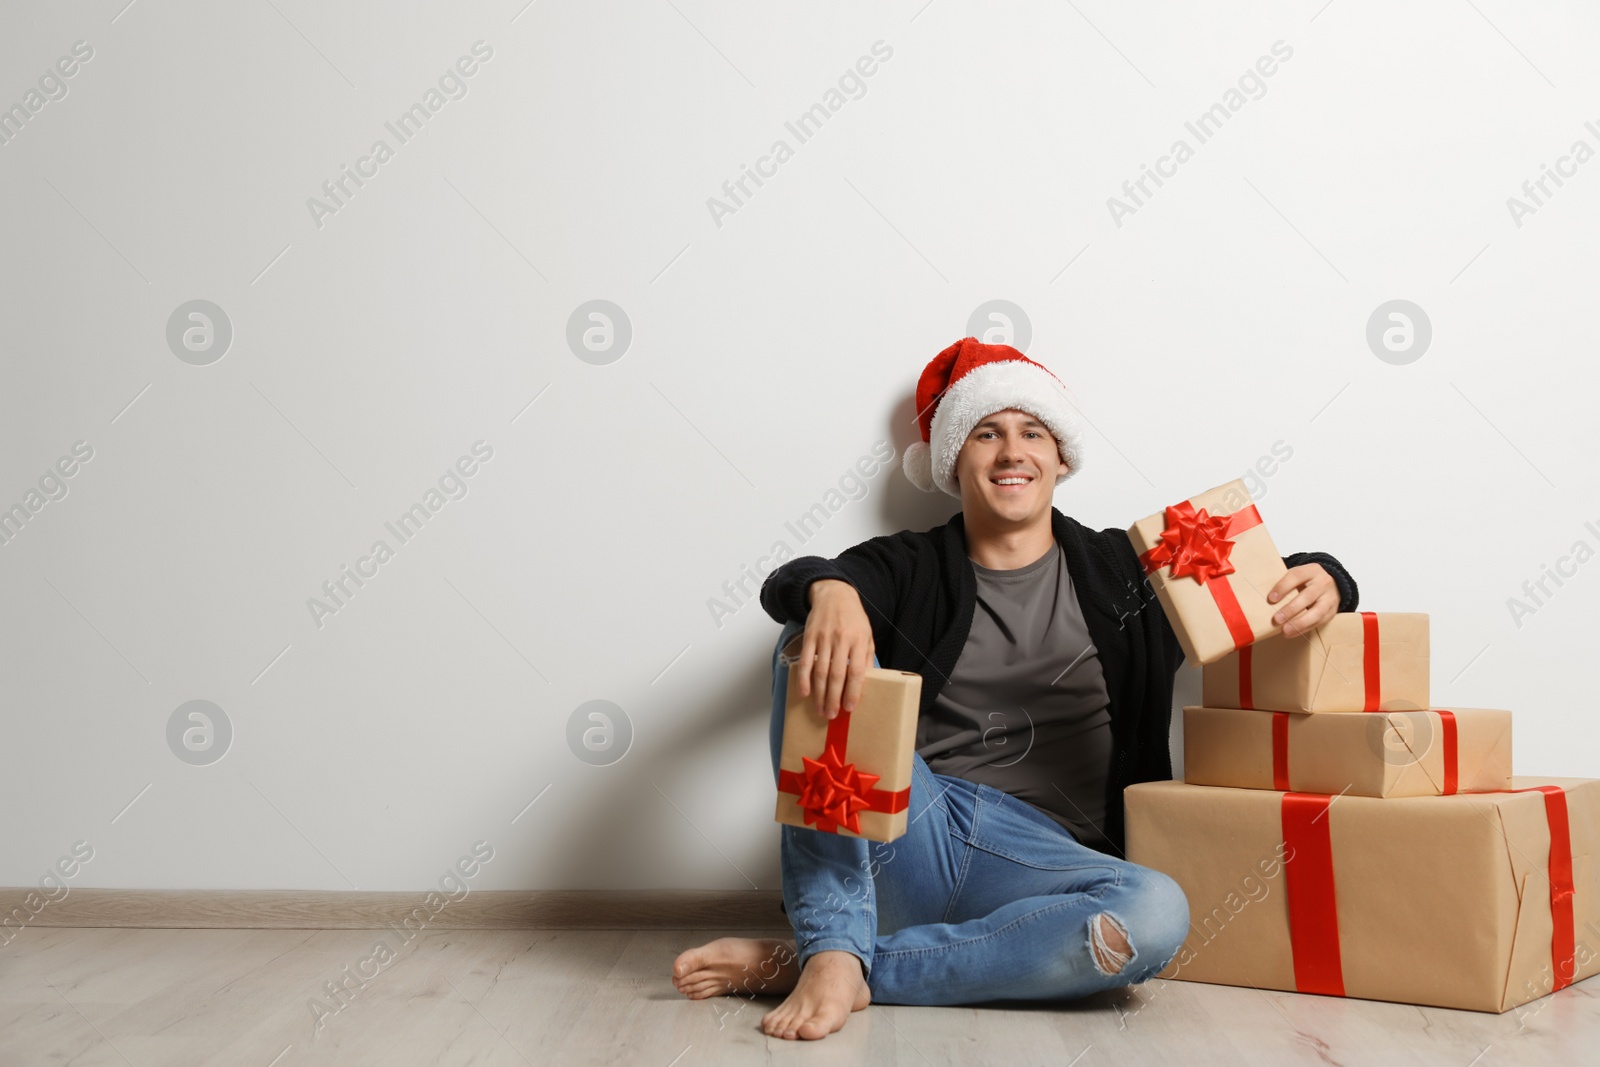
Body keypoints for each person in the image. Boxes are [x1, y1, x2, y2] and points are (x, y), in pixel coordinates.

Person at [671, 338, 1359, 1040]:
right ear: (952, 460)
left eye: (1033, 431)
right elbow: (795, 577)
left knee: (1156, 912)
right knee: (802, 644)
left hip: (1051, 870)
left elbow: (1264, 575)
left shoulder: (1125, 569)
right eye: (986, 433)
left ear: (1060, 457)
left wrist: (1330, 575)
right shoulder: (913, 564)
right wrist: (830, 591)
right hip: (916, 833)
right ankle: (837, 940)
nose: (1011, 452)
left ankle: (835, 961)